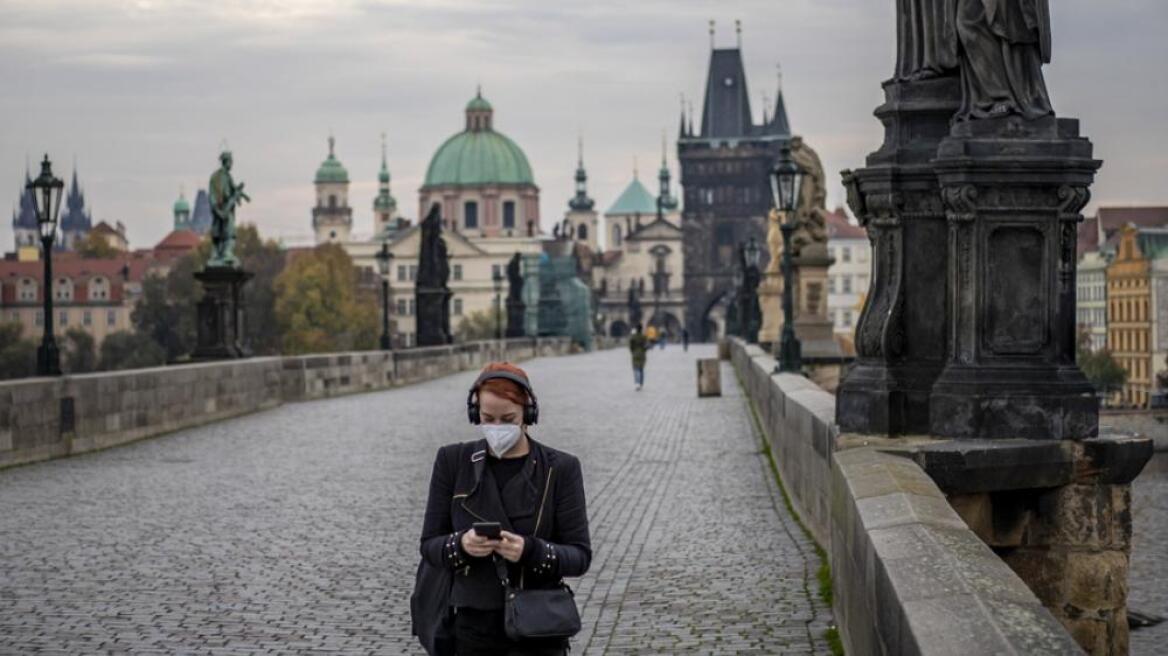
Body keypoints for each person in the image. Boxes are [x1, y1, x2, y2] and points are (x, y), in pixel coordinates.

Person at [418, 362, 591, 656]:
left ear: (528, 414)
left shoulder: (560, 468)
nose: (497, 429)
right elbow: (429, 546)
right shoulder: (452, 461)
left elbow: (579, 556)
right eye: (488, 418)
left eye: (508, 419)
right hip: (472, 625)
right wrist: (461, 544)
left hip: (539, 625)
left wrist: (531, 551)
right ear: (476, 415)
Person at [629, 324, 649, 391]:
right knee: (641, 369)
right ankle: (641, 383)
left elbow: (631, 346)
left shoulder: (633, 337)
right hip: (642, 354)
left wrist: (632, 351)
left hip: (635, 354)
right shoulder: (644, 337)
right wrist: (644, 350)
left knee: (636, 369)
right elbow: (647, 346)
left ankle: (637, 383)